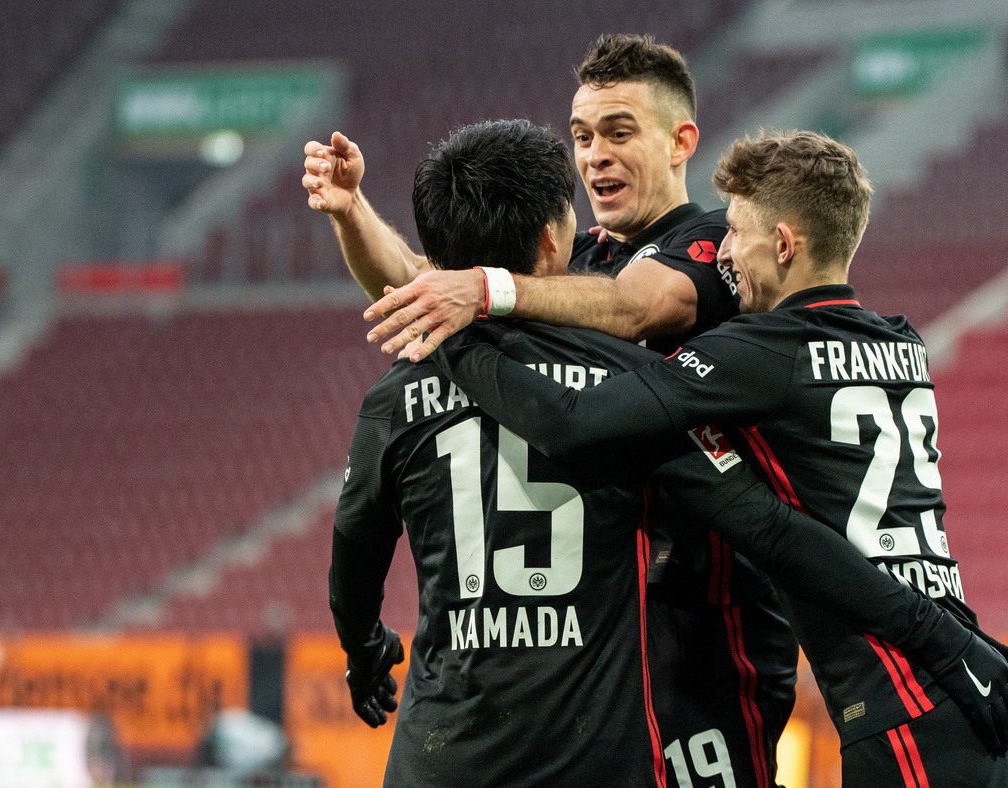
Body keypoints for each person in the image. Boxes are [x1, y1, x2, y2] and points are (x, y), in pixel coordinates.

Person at [332, 119, 1008, 786]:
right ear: (553, 238)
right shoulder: (896, 341)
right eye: (583, 137)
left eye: (735, 234)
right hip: (944, 666)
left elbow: (360, 547)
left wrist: (457, 330)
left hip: (439, 755)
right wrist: (941, 633)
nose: (722, 255)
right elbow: (765, 525)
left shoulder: (395, 398)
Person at [307, 34, 797, 786]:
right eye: (582, 136)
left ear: (680, 142)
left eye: (619, 133)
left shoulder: (711, 245)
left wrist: (487, 288)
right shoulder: (577, 263)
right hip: (610, 625)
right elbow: (426, 291)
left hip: (705, 629)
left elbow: (634, 309)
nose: (595, 156)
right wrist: (352, 214)